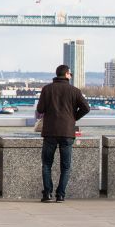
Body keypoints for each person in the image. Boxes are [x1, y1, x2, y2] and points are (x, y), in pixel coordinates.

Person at [36, 64, 90, 202]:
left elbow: (40, 109)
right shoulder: (75, 91)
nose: (70, 76)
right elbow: (86, 108)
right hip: (67, 132)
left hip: (50, 132)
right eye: (70, 74)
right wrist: (73, 117)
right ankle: (60, 195)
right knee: (65, 166)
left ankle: (47, 194)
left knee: (47, 164)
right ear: (66, 74)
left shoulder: (47, 89)